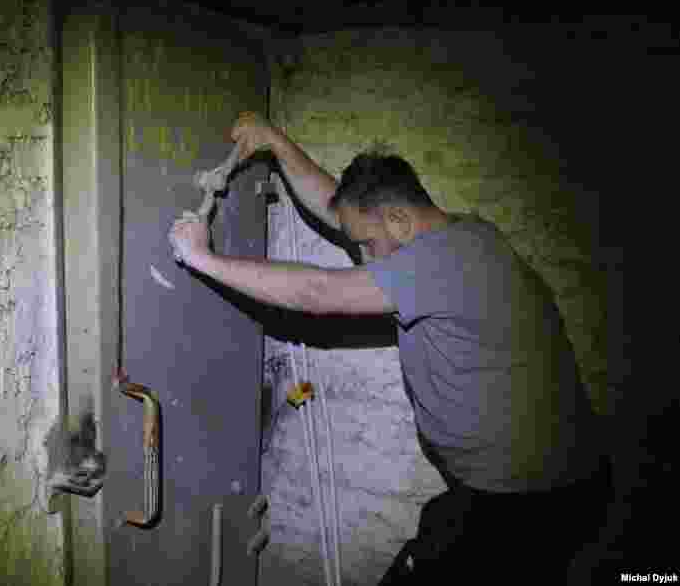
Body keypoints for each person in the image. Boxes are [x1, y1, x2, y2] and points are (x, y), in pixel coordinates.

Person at [168, 115, 613, 583]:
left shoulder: (446, 261)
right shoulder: (461, 237)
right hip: (528, 487)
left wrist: (203, 257)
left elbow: (317, 293)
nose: (361, 256)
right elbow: (338, 208)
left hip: (530, 500)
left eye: (367, 244)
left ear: (399, 218)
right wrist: (277, 143)